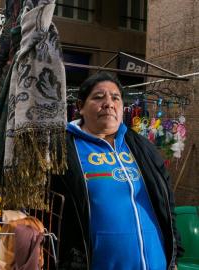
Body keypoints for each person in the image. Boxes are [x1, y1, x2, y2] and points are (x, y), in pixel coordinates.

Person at [53, 72, 183, 270]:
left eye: (115, 97)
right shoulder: (63, 151)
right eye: (98, 97)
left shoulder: (142, 148)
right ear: (80, 106)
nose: (108, 103)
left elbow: (166, 205)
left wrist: (173, 258)